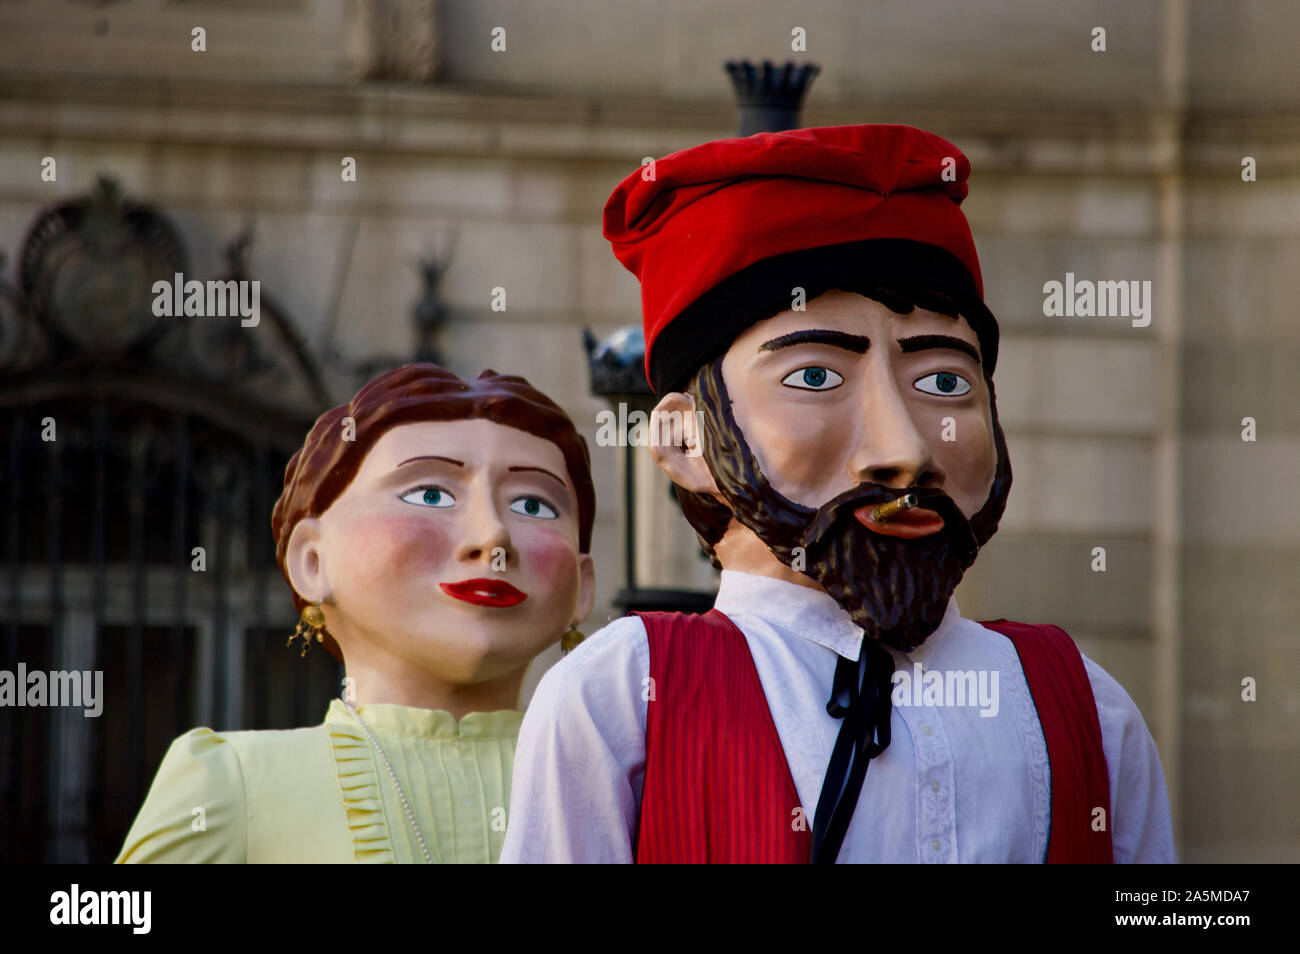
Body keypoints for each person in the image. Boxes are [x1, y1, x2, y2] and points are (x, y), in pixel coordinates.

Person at [501, 124, 1178, 863]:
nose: (905, 454)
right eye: (815, 378)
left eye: (944, 384)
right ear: (685, 441)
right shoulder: (620, 702)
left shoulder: (1090, 710)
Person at [117, 363, 595, 863]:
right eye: (430, 494)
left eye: (533, 506)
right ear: (313, 561)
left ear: (583, 587)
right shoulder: (231, 787)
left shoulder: (624, 790)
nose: (492, 537)